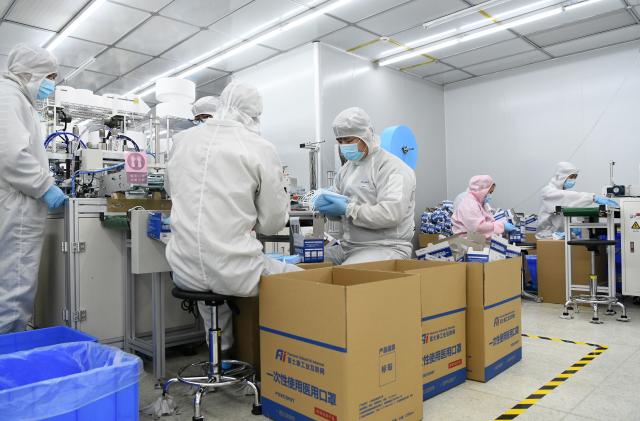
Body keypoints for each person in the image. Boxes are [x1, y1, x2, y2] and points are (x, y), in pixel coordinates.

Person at [165, 82, 301, 352]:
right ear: (254, 115)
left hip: (182, 269)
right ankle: (291, 362)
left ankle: (222, 355)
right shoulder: (259, 147)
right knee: (303, 283)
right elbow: (273, 222)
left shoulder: (182, 142)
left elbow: (172, 191)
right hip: (235, 272)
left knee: (212, 291)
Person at [0, 44, 65, 333]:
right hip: (17, 207)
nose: (51, 84)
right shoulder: (8, 96)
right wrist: (45, 187)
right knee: (14, 288)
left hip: (16, 204)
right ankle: (8, 365)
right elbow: (11, 155)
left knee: (11, 283)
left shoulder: (17, 99)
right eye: (49, 76)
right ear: (30, 74)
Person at [314, 107, 416, 265]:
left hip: (385, 248)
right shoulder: (346, 169)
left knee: (345, 276)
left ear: (366, 135)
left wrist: (349, 209)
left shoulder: (393, 168)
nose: (343, 146)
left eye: (348, 141)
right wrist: (326, 206)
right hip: (348, 247)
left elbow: (391, 214)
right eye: (340, 141)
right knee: (308, 265)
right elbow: (339, 212)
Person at [536, 162, 619, 239]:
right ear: (561, 176)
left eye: (575, 177)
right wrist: (593, 197)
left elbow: (568, 206)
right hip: (547, 236)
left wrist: (574, 226)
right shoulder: (548, 191)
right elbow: (568, 197)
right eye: (571, 177)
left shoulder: (561, 192)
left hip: (558, 236)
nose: (573, 180)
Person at [452, 175, 517, 239]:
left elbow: (487, 220)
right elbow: (478, 228)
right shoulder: (469, 204)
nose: (489, 195)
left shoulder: (479, 203)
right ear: (482, 190)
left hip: (475, 241)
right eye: (489, 192)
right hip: (467, 244)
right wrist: (502, 226)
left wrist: (500, 225)